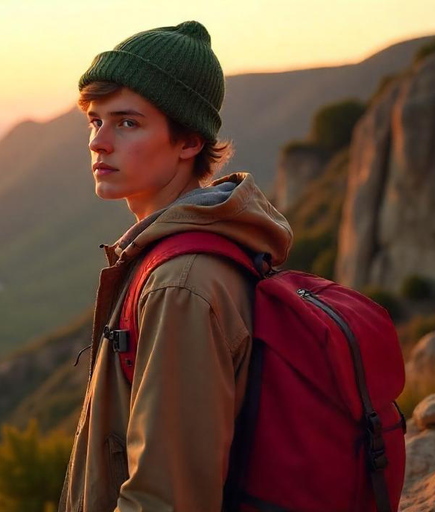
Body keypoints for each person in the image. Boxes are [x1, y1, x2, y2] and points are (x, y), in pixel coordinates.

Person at [59, 20, 293, 512]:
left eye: (127, 122)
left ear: (189, 142)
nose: (99, 142)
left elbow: (167, 499)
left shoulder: (180, 283)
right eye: (95, 120)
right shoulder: (170, 258)